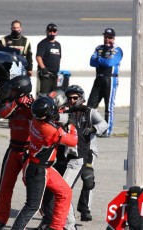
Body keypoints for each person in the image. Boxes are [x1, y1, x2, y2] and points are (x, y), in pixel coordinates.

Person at [36, 86, 107, 230]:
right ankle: (48, 220)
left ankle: (76, 219)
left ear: (81, 97)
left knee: (82, 182)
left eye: (75, 98)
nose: (72, 100)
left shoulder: (89, 112)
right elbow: (58, 118)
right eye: (69, 98)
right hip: (63, 158)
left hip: (82, 155)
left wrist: (94, 129)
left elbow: (104, 124)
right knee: (48, 189)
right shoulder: (65, 112)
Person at [11, 96, 78, 230]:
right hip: (37, 170)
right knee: (32, 205)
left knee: (65, 192)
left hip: (41, 166)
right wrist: (71, 125)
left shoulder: (36, 119)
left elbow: (49, 116)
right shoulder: (50, 130)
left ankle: (55, 227)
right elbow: (73, 141)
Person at [0, 75, 34, 230]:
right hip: (13, 149)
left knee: (34, 187)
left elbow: (37, 119)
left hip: (29, 151)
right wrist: (16, 102)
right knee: (5, 186)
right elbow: (3, 114)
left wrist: (28, 105)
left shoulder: (33, 105)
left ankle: (47, 218)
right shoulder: (12, 103)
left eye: (14, 90)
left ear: (22, 90)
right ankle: (0, 219)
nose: (11, 92)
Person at [87, 28, 123, 138]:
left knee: (109, 107)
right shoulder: (99, 48)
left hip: (110, 79)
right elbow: (91, 62)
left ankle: (107, 131)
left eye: (110, 37)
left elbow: (110, 63)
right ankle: (89, 128)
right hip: (98, 78)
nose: (107, 39)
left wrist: (99, 60)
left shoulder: (117, 50)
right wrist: (102, 60)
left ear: (113, 38)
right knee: (90, 106)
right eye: (106, 37)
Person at [0, 20, 33, 121]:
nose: (16, 30)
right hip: (6, 71)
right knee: (4, 92)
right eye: (14, 28)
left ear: (21, 28)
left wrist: (30, 69)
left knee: (20, 92)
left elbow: (29, 56)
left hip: (20, 72)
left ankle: (17, 113)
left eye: (18, 28)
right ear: (11, 28)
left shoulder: (26, 41)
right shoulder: (4, 40)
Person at [36, 23, 61, 96]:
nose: (52, 33)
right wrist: (43, 68)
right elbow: (38, 57)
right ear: (47, 31)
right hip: (45, 75)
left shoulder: (58, 44)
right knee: (44, 95)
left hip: (54, 75)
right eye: (50, 31)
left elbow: (59, 57)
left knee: (53, 95)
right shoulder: (43, 43)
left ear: (56, 32)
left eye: (54, 31)